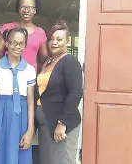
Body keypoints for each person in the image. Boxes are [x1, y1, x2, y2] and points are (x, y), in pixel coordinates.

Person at [0, 27, 36, 164]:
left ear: (25, 45)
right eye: (14, 43)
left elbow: (30, 100)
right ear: (7, 44)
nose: (17, 46)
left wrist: (30, 130)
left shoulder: (29, 70)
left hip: (21, 120)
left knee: (18, 155)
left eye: (21, 43)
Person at [35, 21, 83, 164]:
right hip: (45, 124)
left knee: (62, 161)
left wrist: (62, 123)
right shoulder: (47, 63)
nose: (54, 42)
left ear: (67, 41)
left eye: (59, 39)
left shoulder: (70, 62)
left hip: (61, 125)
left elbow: (75, 93)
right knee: (47, 160)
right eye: (51, 39)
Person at [0, 0, 48, 72]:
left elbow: (43, 59)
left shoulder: (40, 33)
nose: (26, 10)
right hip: (7, 75)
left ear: (35, 10)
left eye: (30, 7)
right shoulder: (7, 28)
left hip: (28, 79)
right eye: (23, 7)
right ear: (18, 9)